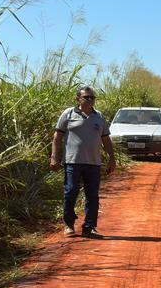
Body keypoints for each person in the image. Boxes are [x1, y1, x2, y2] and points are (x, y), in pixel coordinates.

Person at [50, 87, 116, 238]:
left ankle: (89, 227)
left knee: (92, 195)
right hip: (72, 162)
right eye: (86, 97)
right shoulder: (68, 114)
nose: (90, 100)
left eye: (92, 98)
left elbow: (106, 139)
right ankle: (69, 224)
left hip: (93, 163)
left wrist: (112, 159)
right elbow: (57, 137)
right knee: (71, 191)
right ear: (78, 99)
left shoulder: (99, 117)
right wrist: (54, 157)